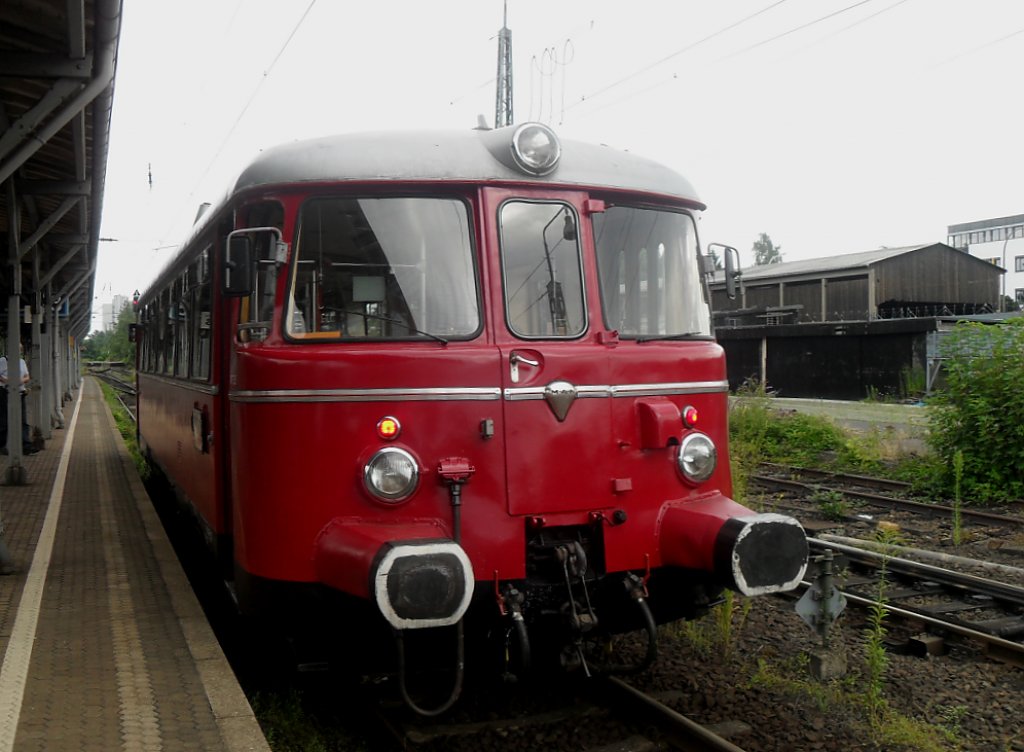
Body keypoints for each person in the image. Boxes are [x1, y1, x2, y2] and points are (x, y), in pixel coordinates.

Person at [0, 344, 36, 455]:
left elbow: (27, 376)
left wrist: (20, 381)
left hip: (20, 392)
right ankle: (2, 446)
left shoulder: (21, 362)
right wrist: (9, 382)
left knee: (23, 420)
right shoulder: (2, 360)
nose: (19, 351)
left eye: (20, 349)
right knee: (4, 420)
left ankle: (26, 446)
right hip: (5, 392)